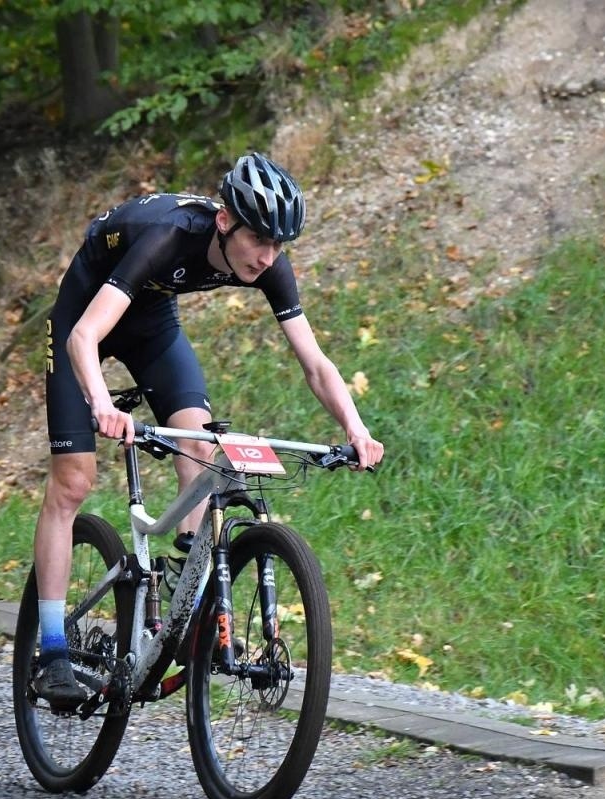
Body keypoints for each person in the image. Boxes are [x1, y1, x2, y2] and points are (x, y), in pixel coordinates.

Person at [31, 151, 386, 706]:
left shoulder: (269, 262)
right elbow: (83, 338)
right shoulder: (167, 237)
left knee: (197, 445)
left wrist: (357, 429)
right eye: (260, 241)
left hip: (150, 324)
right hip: (87, 312)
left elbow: (314, 362)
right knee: (73, 482)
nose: (268, 258)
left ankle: (183, 586)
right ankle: (51, 648)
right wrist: (101, 404)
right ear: (225, 221)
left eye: (279, 246)